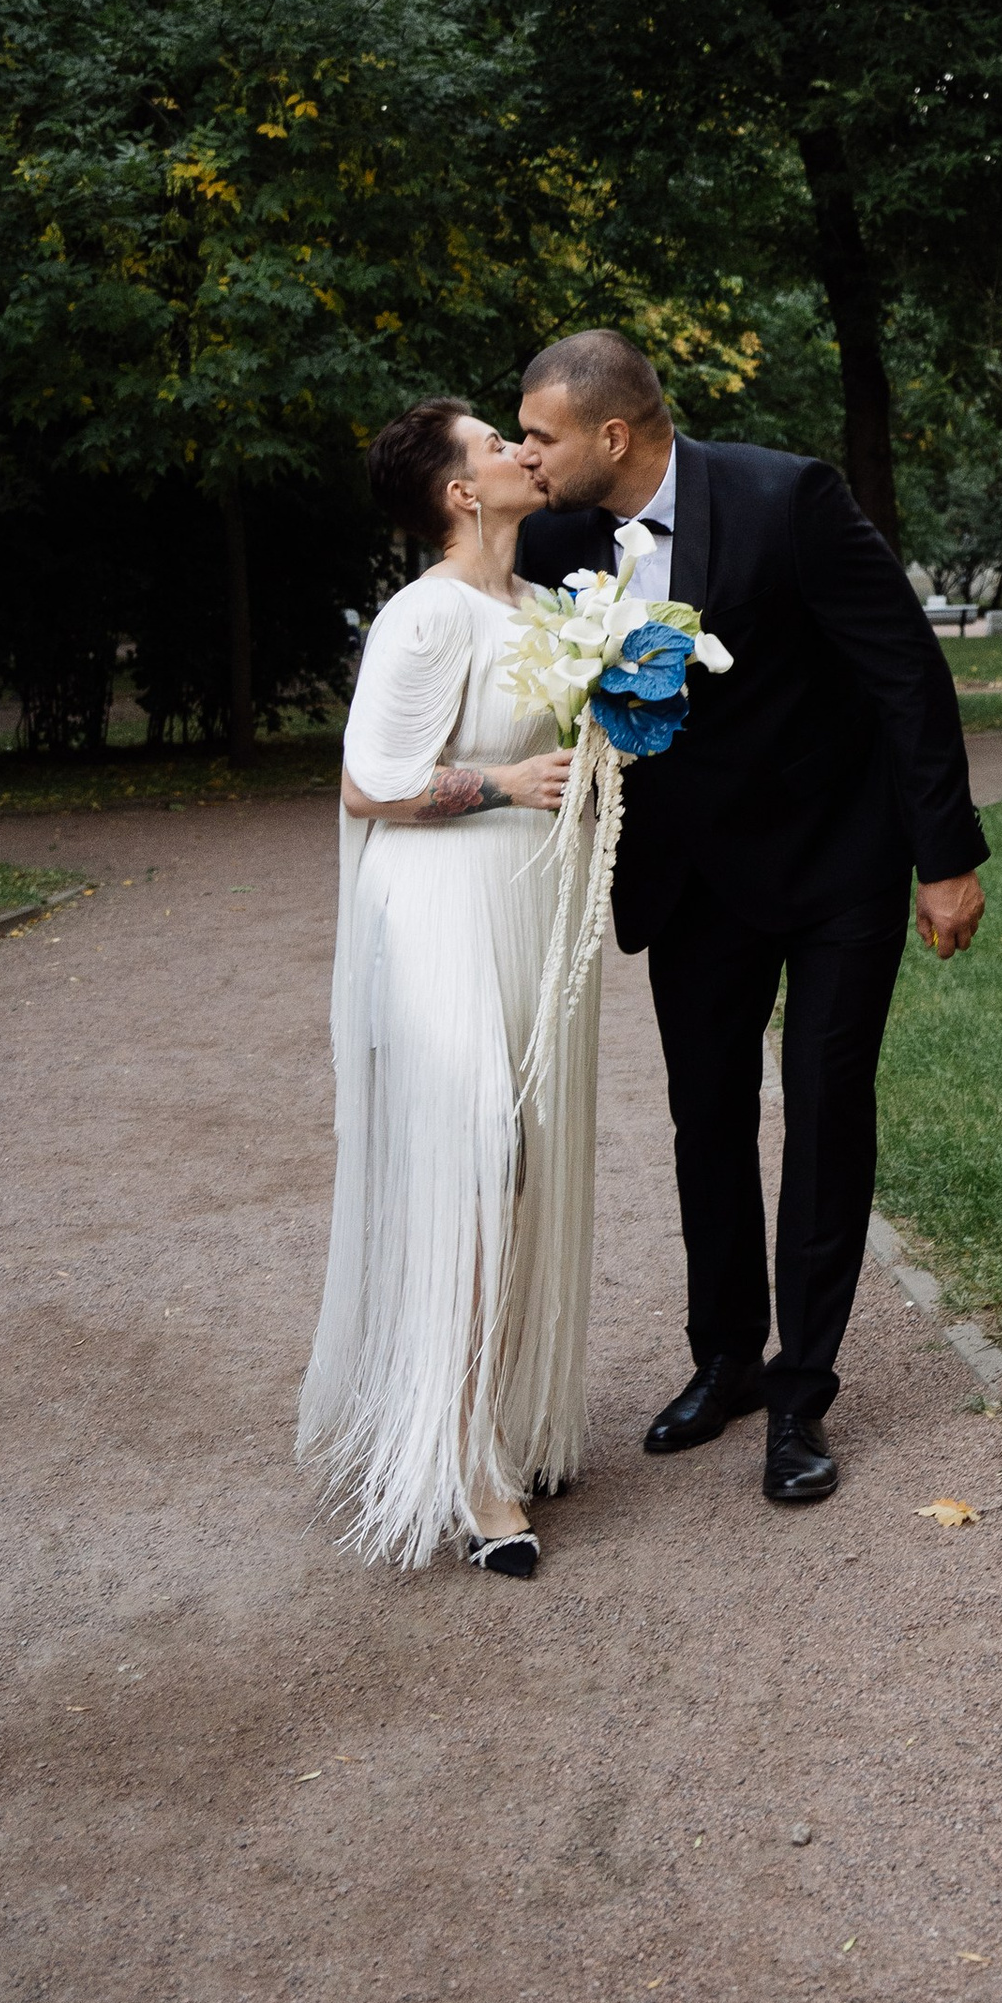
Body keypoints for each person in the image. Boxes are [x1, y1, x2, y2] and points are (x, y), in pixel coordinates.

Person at [514, 330, 987, 1511]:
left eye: (541, 437)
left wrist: (946, 859)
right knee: (706, 1121)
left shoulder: (788, 499)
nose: (529, 458)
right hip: (691, 881)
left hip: (837, 864)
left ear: (612, 434)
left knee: (824, 1116)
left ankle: (799, 1394)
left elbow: (904, 671)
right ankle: (723, 1357)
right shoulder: (560, 537)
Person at [298, 405, 589, 1581]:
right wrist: (508, 783)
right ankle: (461, 1460)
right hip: (434, 911)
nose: (522, 450)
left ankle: (500, 1413)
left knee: (520, 1163)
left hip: (520, 905)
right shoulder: (423, 616)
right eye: (495, 445)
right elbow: (370, 784)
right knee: (478, 1154)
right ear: (461, 494)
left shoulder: (549, 610)